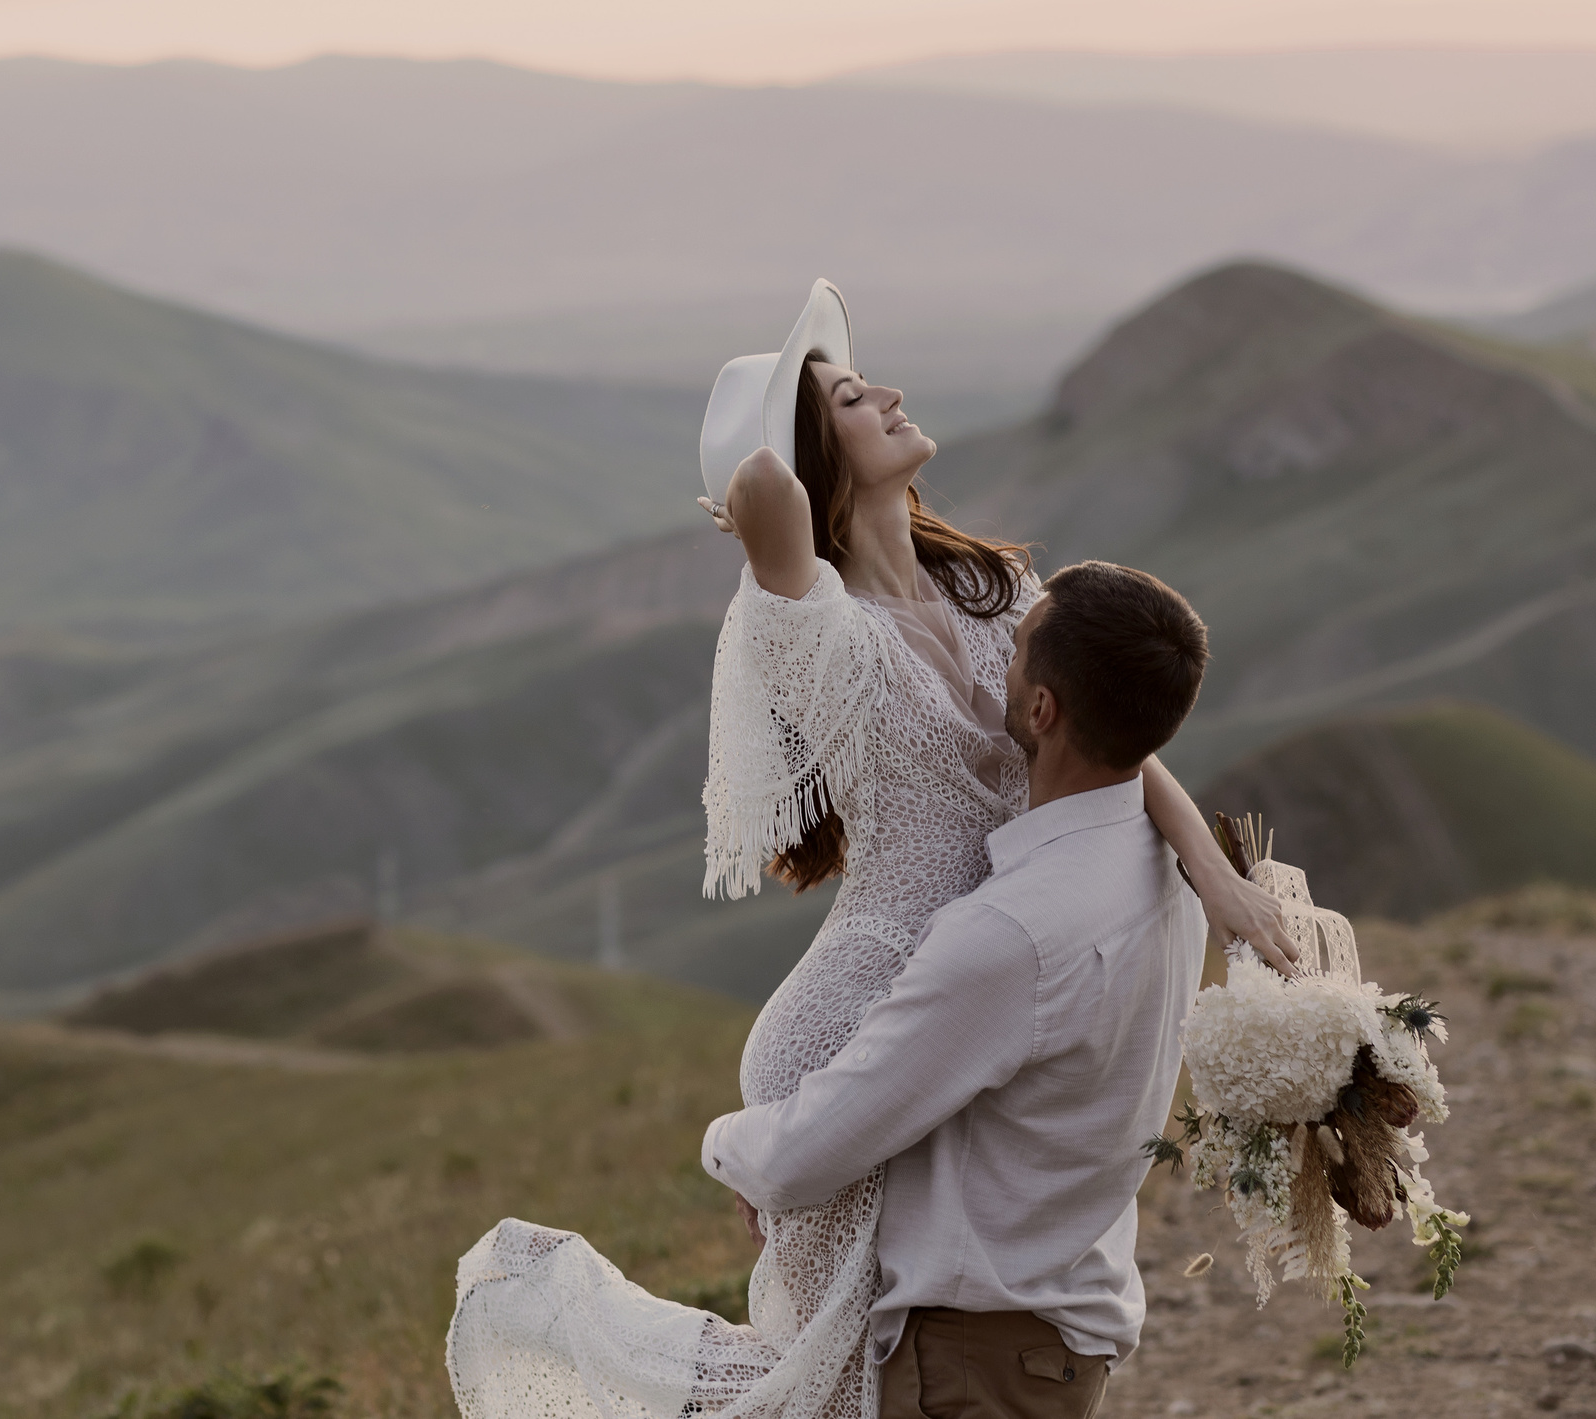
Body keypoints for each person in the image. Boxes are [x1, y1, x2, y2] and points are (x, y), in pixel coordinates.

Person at [445, 281, 1292, 1419]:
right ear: (810, 461)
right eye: (852, 394)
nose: (888, 394)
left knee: (865, 1372)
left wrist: (1214, 875)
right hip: (864, 1013)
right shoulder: (816, 625)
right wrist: (763, 456)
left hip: (984, 985)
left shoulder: (993, 593)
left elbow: (1114, 736)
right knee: (837, 1376)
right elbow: (755, 493)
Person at [704, 559, 1216, 1419]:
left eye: (1013, 652)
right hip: (1057, 1336)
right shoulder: (1169, 871)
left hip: (973, 1364)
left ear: (1043, 709)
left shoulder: (1010, 933)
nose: (996, 669)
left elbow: (808, 1149)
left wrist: (726, 1142)